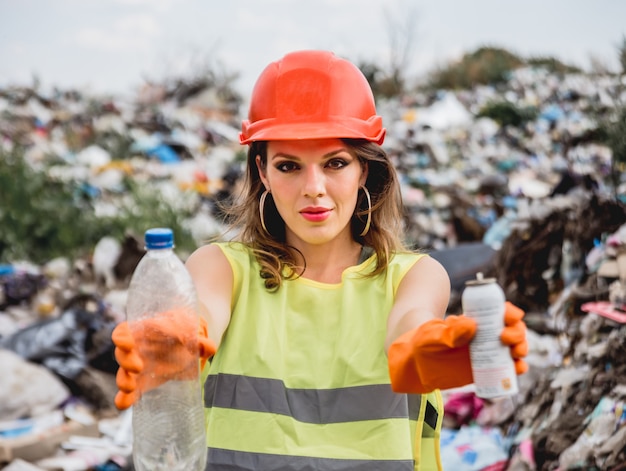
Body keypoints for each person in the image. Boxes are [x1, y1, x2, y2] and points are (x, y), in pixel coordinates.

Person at [112, 49, 528, 471]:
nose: (314, 188)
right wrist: (173, 342)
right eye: (289, 165)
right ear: (263, 172)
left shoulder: (412, 276)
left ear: (364, 170)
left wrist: (428, 351)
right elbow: (200, 317)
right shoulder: (222, 267)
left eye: (336, 163)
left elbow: (412, 327)